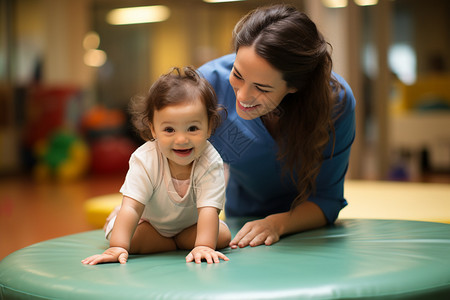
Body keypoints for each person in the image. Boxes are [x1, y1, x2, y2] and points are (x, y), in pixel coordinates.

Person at [197, 4, 356, 249]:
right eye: (238, 75)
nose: (243, 96)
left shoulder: (336, 104)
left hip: (307, 230)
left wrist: (277, 224)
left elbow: (326, 199)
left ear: (295, 86)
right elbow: (168, 158)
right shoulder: (208, 85)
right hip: (241, 219)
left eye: (262, 88)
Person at [82, 67, 231, 265]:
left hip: (189, 226)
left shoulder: (210, 160)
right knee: (128, 238)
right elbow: (132, 208)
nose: (181, 139)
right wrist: (117, 246)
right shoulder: (145, 159)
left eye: (193, 128)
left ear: (210, 126)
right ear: (153, 128)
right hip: (148, 223)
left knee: (222, 236)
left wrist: (203, 246)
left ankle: (174, 242)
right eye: (169, 129)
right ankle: (169, 243)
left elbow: (208, 210)